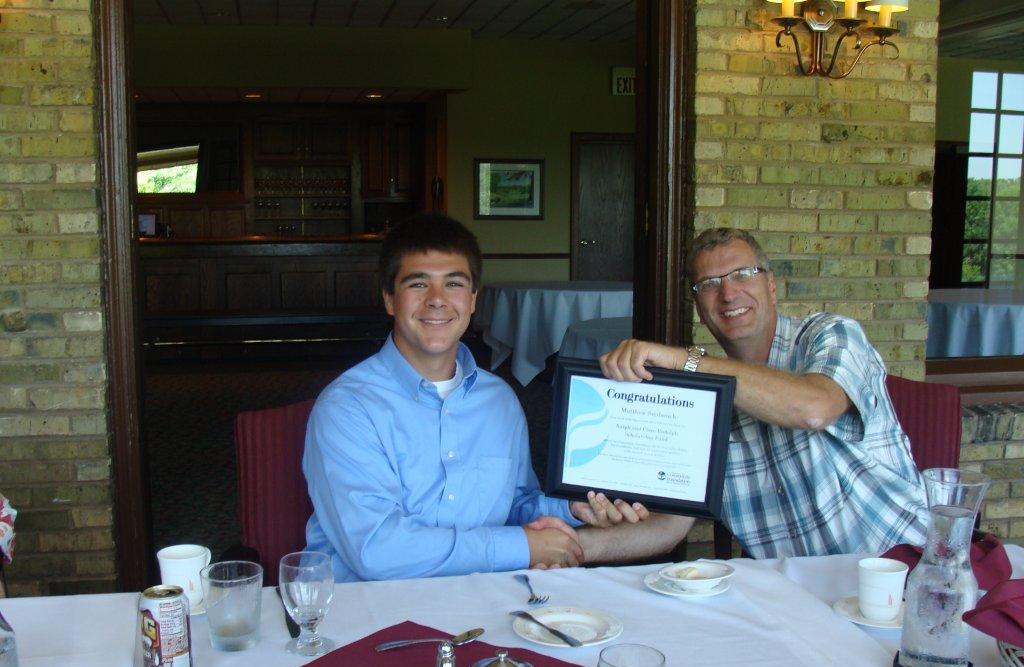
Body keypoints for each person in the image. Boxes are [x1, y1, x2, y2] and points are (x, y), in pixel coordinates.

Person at [303, 214, 645, 582]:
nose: (437, 300)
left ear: (472, 300)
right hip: (370, 613)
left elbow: (514, 504)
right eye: (418, 284)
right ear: (389, 299)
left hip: (482, 600)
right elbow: (377, 551)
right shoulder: (348, 408)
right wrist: (523, 547)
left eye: (454, 284)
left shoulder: (499, 400)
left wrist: (576, 508)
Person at [599, 227, 929, 559]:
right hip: (795, 598)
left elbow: (814, 408)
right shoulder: (700, 401)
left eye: (743, 274)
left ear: (771, 285)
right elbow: (670, 525)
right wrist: (569, 546)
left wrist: (686, 359)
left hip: (902, 572)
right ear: (699, 306)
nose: (728, 294)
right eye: (709, 284)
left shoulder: (830, 335)